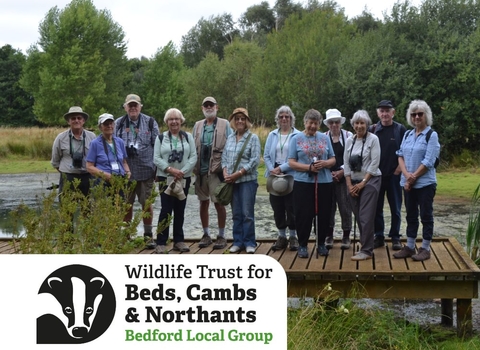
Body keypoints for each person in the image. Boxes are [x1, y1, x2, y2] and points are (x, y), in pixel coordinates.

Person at [393, 100, 440, 262]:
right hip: (407, 183)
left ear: (426, 115)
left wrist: (412, 177)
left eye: (420, 114)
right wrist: (407, 175)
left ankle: (425, 248)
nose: (417, 117)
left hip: (425, 184)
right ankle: (410, 246)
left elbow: (429, 161)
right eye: (413, 114)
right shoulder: (407, 134)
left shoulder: (431, 135)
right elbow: (400, 155)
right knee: (411, 215)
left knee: (426, 216)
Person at [288, 109, 336, 258]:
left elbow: (333, 159)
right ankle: (302, 244)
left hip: (324, 182)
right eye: (310, 123)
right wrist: (308, 167)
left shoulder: (324, 137)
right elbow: (291, 162)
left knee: (324, 214)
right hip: (303, 182)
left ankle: (321, 243)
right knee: (303, 214)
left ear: (319, 124)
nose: (313, 126)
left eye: (316, 123)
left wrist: (325, 163)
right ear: (305, 122)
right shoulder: (295, 139)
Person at [114, 94, 159, 249]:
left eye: (135, 105)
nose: (133, 108)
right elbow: (112, 146)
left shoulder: (150, 122)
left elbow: (157, 147)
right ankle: (126, 236)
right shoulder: (118, 123)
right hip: (125, 173)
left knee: (147, 204)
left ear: (140, 106)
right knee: (127, 205)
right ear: (125, 107)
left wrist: (156, 170)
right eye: (130, 105)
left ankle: (148, 236)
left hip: (146, 171)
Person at [153, 108, 197, 254]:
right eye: (171, 119)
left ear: (181, 121)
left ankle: (179, 240)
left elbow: (193, 156)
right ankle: (161, 241)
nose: (174, 122)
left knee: (180, 209)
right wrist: (171, 170)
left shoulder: (188, 137)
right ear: (167, 122)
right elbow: (156, 158)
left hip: (183, 178)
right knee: (166, 210)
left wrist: (182, 171)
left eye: (176, 119)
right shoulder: (160, 138)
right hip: (165, 178)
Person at [192, 97, 232, 249]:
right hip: (200, 171)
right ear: (202, 108)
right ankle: (206, 234)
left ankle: (221, 235)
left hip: (216, 171)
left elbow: (231, 146)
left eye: (211, 105)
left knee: (219, 203)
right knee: (203, 203)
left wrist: (227, 169)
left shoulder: (225, 124)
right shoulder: (197, 125)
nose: (209, 107)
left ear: (217, 107)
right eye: (206, 105)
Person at [221, 108, 261, 254]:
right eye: (237, 118)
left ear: (247, 121)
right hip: (232, 182)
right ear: (233, 121)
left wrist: (238, 174)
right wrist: (225, 172)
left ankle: (250, 242)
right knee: (236, 213)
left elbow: (254, 161)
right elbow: (224, 157)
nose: (239, 121)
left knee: (247, 214)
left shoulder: (253, 138)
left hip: (247, 181)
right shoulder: (230, 138)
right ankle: (238, 241)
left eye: (242, 119)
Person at [344, 110, 382, 261]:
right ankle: (366, 243)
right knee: (359, 216)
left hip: (371, 181)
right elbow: (346, 164)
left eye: (362, 123)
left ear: (367, 124)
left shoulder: (373, 139)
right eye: (357, 123)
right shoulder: (349, 141)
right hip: (353, 183)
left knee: (366, 216)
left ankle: (366, 250)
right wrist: (349, 186)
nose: (359, 126)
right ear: (353, 125)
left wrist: (362, 183)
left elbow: (375, 163)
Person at [370, 100, 406, 251]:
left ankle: (395, 237)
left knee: (395, 208)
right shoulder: (372, 129)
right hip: (376, 175)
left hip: (394, 176)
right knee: (376, 208)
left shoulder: (400, 129)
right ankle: (379, 236)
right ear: (378, 113)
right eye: (382, 111)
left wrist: (399, 168)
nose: (384, 114)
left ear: (393, 112)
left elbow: (406, 151)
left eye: (387, 111)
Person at [264, 105, 300, 251]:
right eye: (281, 116)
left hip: (291, 174)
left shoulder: (297, 135)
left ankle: (293, 236)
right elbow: (266, 155)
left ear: (291, 119)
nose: (284, 119)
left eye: (287, 116)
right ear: (277, 119)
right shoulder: (272, 134)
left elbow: (297, 156)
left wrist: (282, 168)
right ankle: (281, 236)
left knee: (291, 207)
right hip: (274, 175)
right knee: (277, 207)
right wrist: (272, 169)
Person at [323, 108, 353, 250]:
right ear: (328, 124)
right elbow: (321, 158)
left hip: (344, 176)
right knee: (328, 208)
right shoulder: (322, 137)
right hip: (327, 178)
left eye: (336, 122)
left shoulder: (348, 136)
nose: (334, 125)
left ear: (340, 122)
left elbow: (352, 158)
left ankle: (346, 236)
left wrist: (341, 171)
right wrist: (329, 173)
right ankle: (329, 235)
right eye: (331, 122)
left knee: (345, 207)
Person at [51, 106, 96, 197]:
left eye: (79, 118)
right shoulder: (61, 138)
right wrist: (66, 174)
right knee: (66, 208)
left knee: (87, 208)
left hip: (87, 177)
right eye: (73, 118)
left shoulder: (92, 137)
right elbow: (55, 161)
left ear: (83, 121)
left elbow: (97, 158)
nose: (76, 120)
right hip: (68, 177)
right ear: (68, 121)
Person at [86, 113, 131, 183]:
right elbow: (89, 167)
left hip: (120, 180)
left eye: (111, 123)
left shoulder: (120, 142)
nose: (109, 126)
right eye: (106, 124)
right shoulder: (95, 143)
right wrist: (106, 175)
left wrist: (128, 172)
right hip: (103, 182)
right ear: (100, 127)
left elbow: (124, 162)